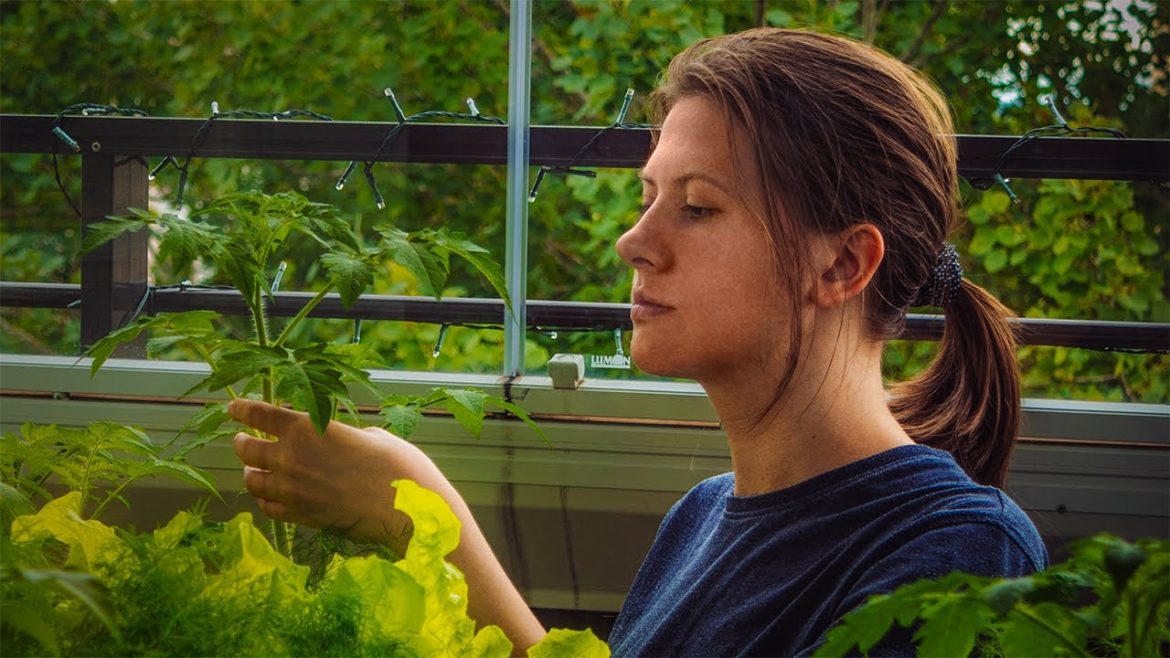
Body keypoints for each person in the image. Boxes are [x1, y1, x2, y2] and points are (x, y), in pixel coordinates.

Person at [229, 28, 1047, 657]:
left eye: (696, 206)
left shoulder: (962, 555)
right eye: (648, 196)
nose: (633, 242)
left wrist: (430, 522)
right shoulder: (699, 519)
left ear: (841, 263)